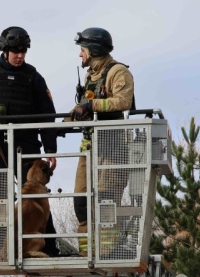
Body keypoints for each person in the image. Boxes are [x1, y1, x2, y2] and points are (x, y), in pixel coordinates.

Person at [0, 26, 59, 257]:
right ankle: (2, 251)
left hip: (26, 145)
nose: (20, 55)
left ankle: (51, 249)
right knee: (0, 199)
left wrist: (51, 150)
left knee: (37, 196)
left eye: (23, 51)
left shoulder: (33, 76)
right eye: (15, 51)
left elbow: (47, 115)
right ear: (5, 50)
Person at [69, 27, 136, 256]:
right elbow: (82, 106)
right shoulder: (90, 76)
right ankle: (86, 253)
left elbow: (123, 101)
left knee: (107, 201)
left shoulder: (118, 72)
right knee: (81, 201)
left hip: (112, 145)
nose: (80, 55)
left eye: (82, 49)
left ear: (93, 50)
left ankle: (106, 253)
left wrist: (92, 106)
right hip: (89, 147)